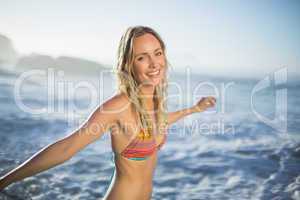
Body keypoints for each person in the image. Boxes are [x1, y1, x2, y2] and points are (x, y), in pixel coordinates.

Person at [0, 26, 216, 200]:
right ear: (128, 64)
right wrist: (5, 181)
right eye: (142, 57)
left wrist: (195, 109)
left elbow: (159, 122)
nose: (154, 63)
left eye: (157, 53)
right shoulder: (118, 106)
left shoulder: (153, 100)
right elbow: (67, 147)